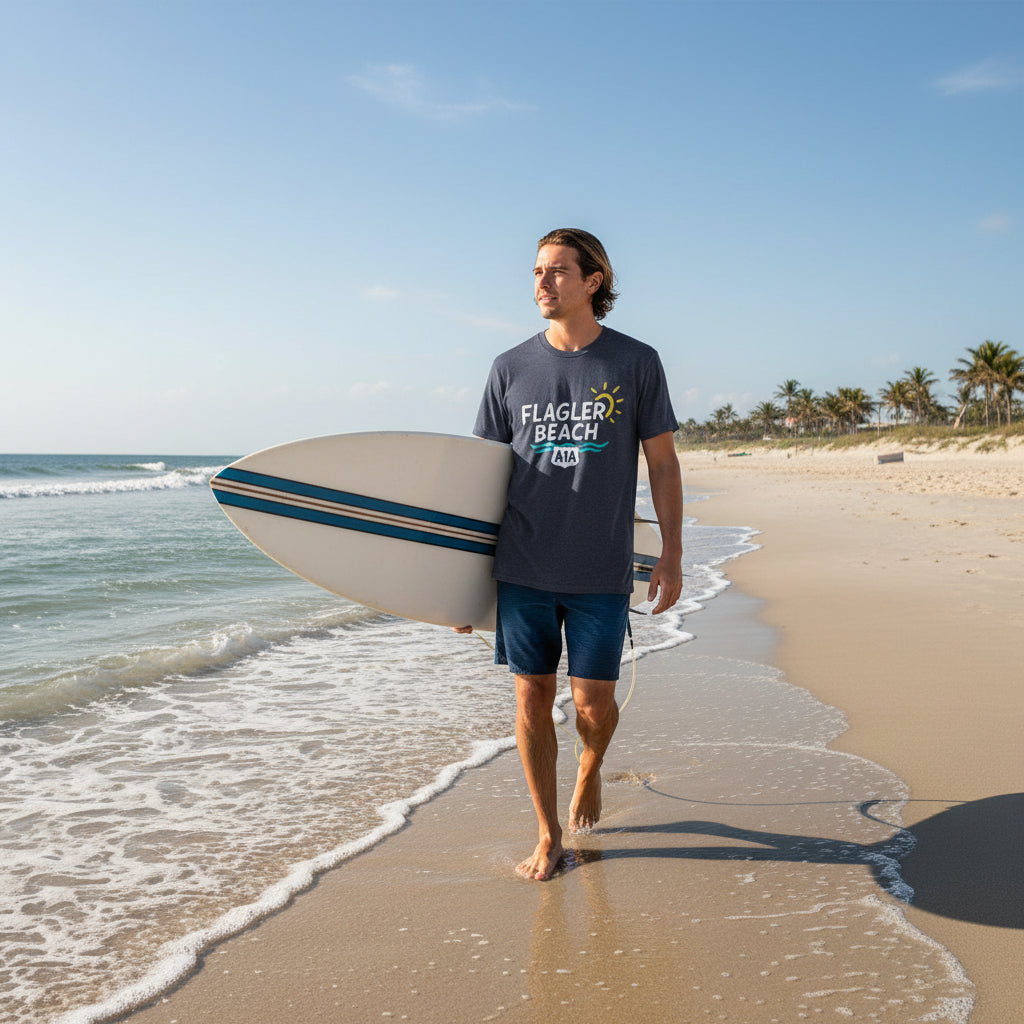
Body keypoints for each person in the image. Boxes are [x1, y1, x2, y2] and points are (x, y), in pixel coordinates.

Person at [461, 228, 683, 881]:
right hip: (523, 565)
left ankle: (589, 768)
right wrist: (456, 581)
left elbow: (663, 465)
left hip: (599, 569)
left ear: (593, 281)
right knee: (530, 697)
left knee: (591, 703)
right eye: (537, 270)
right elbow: (480, 477)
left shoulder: (635, 363)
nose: (541, 282)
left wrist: (670, 553)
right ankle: (547, 832)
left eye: (557, 271)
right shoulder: (509, 368)